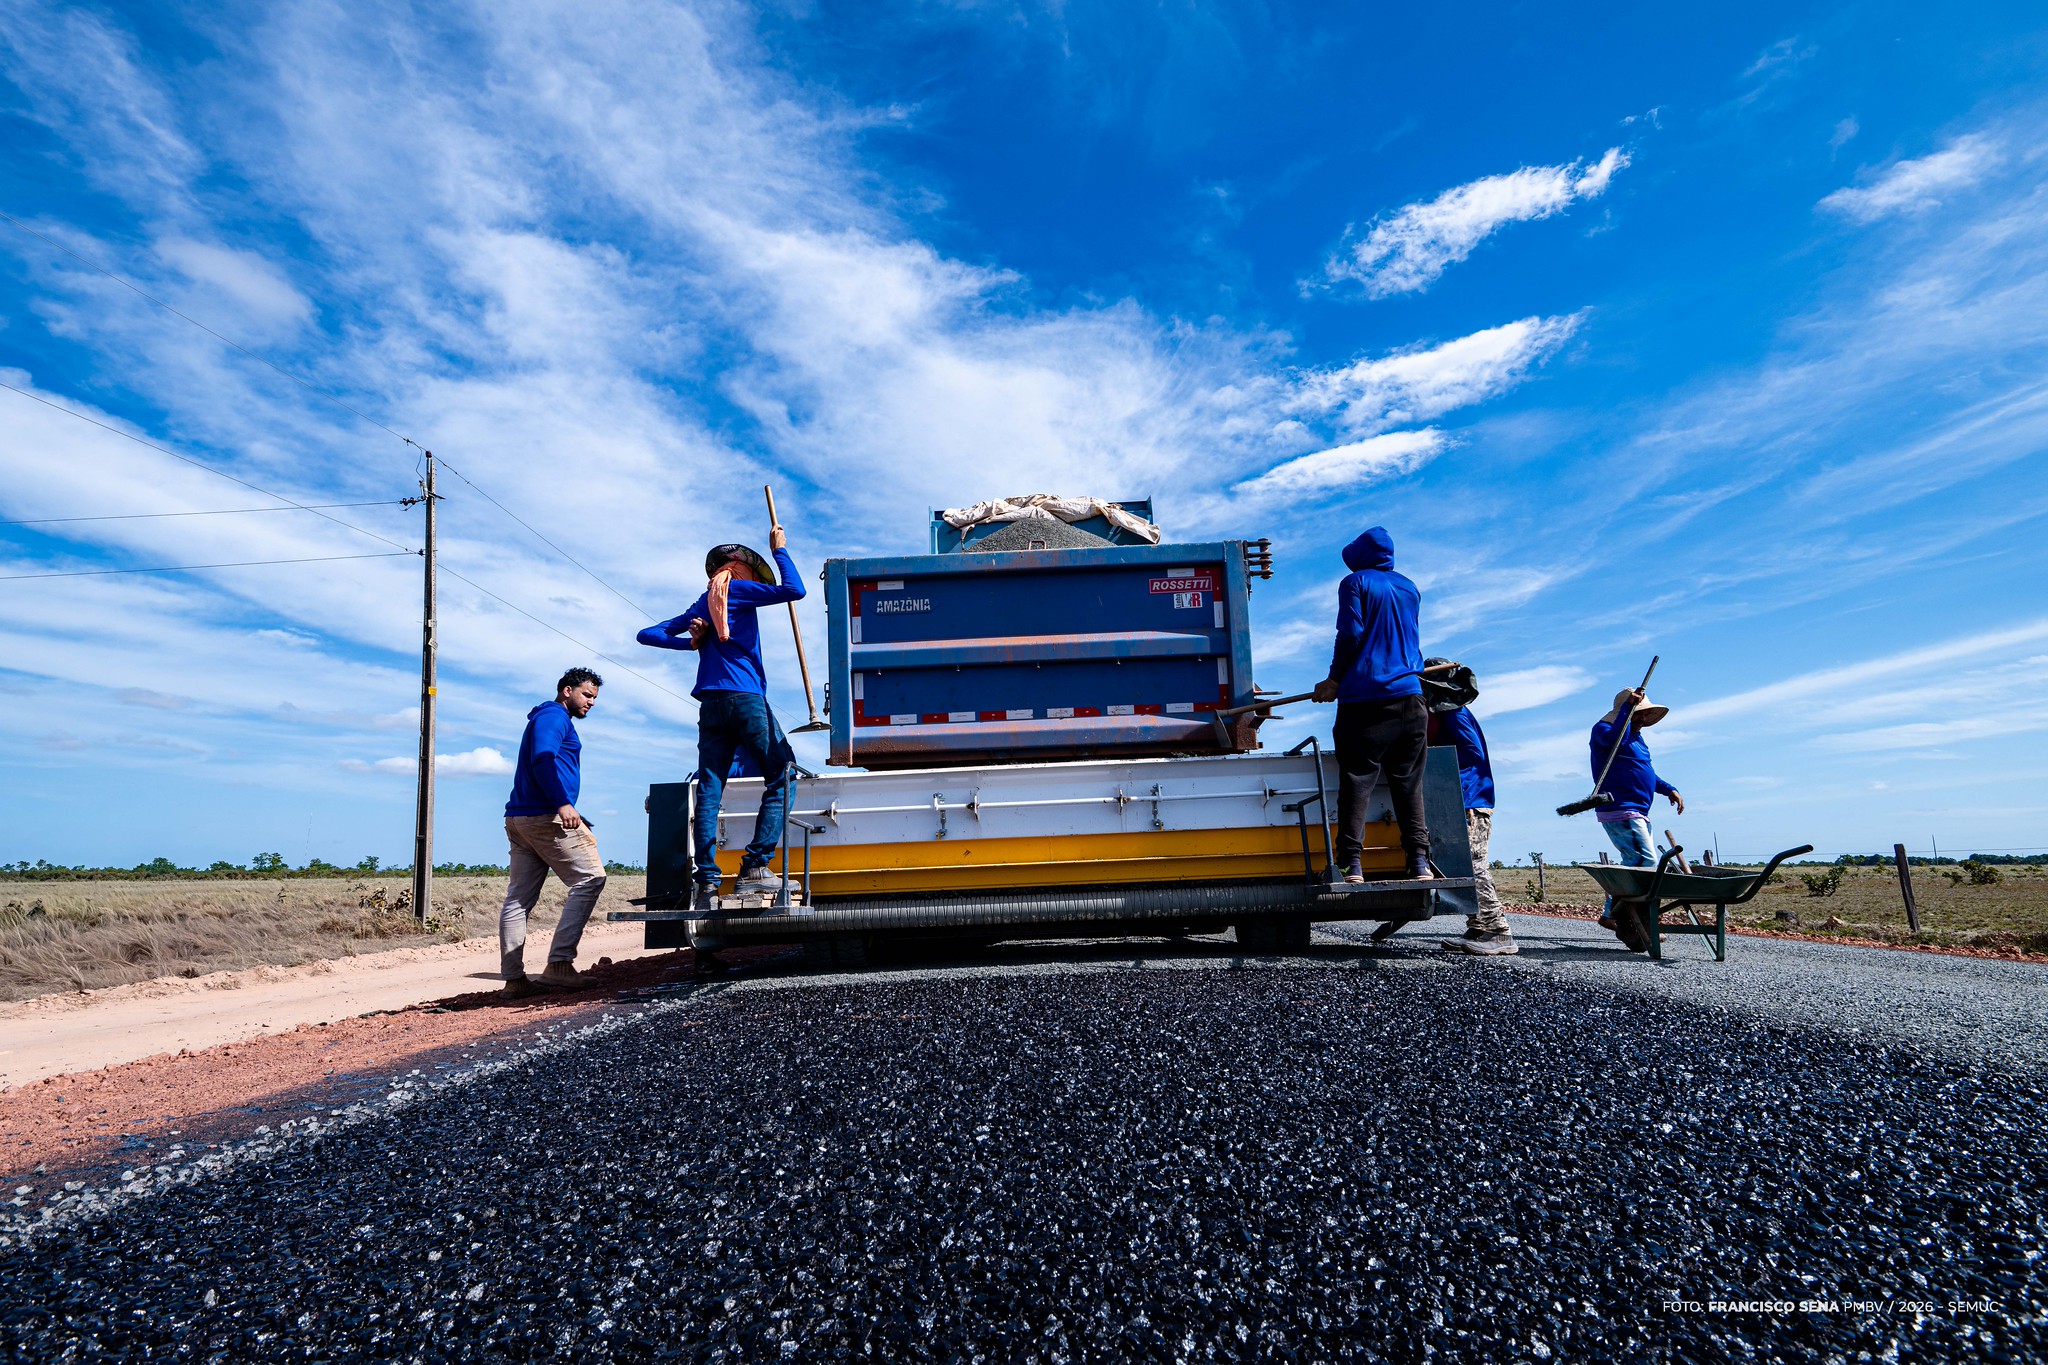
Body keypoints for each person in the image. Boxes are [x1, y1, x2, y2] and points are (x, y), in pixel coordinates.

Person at [638, 524, 806, 910]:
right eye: (751, 570)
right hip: (744, 697)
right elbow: (795, 590)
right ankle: (754, 866)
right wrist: (780, 550)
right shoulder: (740, 589)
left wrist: (691, 642)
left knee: (711, 788)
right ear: (738, 567)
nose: (753, 578)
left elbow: (646, 634)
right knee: (782, 775)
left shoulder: (703, 603)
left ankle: (708, 879)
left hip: (711, 704)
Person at [1312, 526, 1431, 882]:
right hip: (1412, 698)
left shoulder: (1355, 584)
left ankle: (1352, 864)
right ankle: (1420, 863)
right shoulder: (1410, 587)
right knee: (1408, 782)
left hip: (1366, 699)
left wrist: (1333, 679)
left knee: (1357, 780)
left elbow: (1351, 633)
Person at [499, 667, 608, 998]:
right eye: (587, 695)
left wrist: (573, 809)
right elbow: (542, 760)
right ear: (566, 691)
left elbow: (545, 766)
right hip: (544, 817)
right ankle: (559, 964)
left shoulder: (546, 718)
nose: (591, 702)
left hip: (520, 818)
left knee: (518, 898)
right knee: (590, 878)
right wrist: (562, 804)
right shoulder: (553, 717)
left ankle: (514, 981)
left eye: (594, 698)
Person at [1588, 685, 1684, 948]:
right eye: (1638, 714)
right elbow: (1611, 741)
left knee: (1635, 863)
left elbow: (1645, 772)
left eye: (1643, 714)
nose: (1642, 719)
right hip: (1620, 808)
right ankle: (1632, 921)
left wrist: (1668, 789)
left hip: (1639, 811)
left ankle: (1611, 914)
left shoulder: (1637, 739)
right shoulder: (1604, 730)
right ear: (1625, 712)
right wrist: (1627, 709)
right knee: (1645, 864)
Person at [1428, 683, 1514, 956]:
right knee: (1459, 866)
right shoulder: (1446, 713)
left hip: (1470, 800)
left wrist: (1433, 759)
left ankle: (1499, 933)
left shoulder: (1454, 714)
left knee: (1473, 866)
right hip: (1460, 798)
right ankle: (1478, 926)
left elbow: (1471, 752)